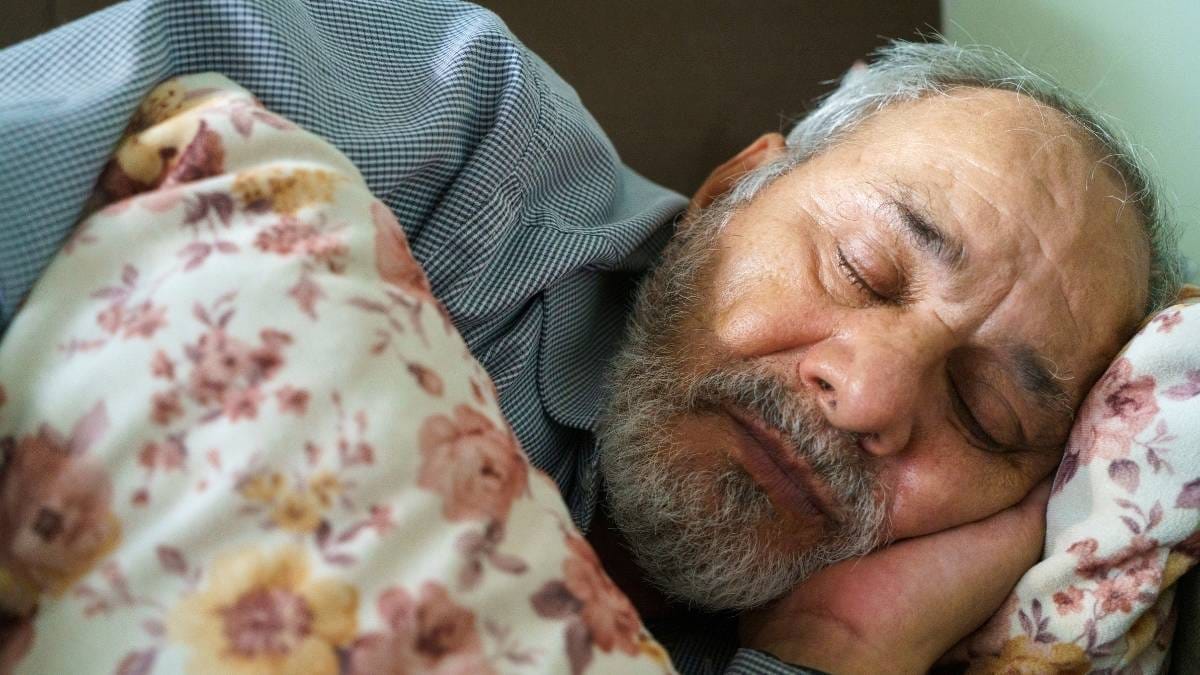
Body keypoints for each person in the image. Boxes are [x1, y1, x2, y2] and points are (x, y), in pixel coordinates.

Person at [0, 0, 1182, 673]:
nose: (868, 395)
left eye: (986, 416)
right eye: (863, 269)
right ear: (730, 194)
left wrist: (822, 655)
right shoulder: (457, 138)